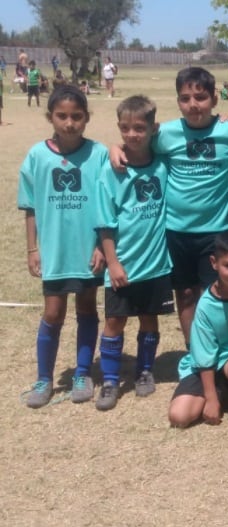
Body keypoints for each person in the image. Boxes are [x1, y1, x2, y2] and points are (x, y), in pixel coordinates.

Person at [109, 67, 228, 347]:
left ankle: (222, 348)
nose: (193, 105)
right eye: (185, 98)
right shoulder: (166, 134)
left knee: (218, 294)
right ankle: (195, 353)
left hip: (217, 230)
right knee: (186, 294)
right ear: (178, 101)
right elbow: (135, 140)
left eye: (200, 97)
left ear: (214, 99)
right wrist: (114, 147)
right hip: (176, 231)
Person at [17, 85, 107, 408]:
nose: (69, 123)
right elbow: (29, 207)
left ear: (86, 118)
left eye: (77, 117)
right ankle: (44, 378)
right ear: (50, 117)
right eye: (62, 116)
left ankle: (83, 373)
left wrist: (101, 246)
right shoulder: (37, 156)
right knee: (53, 312)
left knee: (86, 307)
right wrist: (32, 248)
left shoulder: (98, 154)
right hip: (54, 249)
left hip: (86, 248)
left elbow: (107, 204)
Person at [94, 95, 174, 411]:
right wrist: (112, 262)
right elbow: (105, 221)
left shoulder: (163, 164)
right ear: (119, 128)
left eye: (140, 128)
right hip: (122, 263)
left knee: (149, 320)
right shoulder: (112, 170)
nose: (132, 135)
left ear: (153, 128)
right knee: (114, 321)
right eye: (125, 129)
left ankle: (144, 371)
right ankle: (111, 380)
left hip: (155, 264)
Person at [168, 230, 228, 428]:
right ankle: (218, 391)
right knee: (179, 417)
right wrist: (211, 399)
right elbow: (204, 358)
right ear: (214, 263)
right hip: (208, 364)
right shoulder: (205, 306)